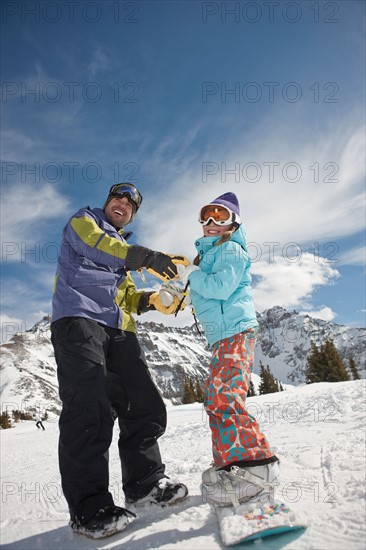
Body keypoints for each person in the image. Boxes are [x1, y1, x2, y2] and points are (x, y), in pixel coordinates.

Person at [51, 182, 189, 539]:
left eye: (131, 203)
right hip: (78, 321)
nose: (123, 203)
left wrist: (153, 302)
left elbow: (125, 297)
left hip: (119, 331)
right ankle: (89, 508)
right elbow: (99, 246)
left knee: (143, 405)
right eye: (118, 197)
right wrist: (146, 257)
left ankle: (145, 485)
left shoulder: (122, 255)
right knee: (89, 410)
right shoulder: (84, 222)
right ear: (107, 203)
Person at [175, 192, 280, 508]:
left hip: (235, 332)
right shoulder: (208, 258)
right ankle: (232, 466)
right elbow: (204, 294)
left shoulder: (232, 250)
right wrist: (177, 291)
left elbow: (220, 287)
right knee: (217, 399)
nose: (211, 222)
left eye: (219, 216)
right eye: (206, 216)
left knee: (225, 399)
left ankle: (255, 468)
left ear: (233, 222)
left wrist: (190, 276)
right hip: (224, 336)